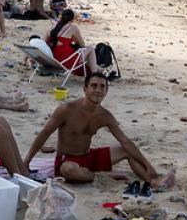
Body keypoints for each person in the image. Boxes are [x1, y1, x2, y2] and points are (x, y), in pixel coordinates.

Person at [24, 72, 175, 189]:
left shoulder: (105, 116)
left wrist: (148, 164)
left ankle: (154, 182)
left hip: (89, 157)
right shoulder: (67, 110)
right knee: (68, 170)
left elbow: (126, 141)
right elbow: (44, 134)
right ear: (85, 89)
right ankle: (106, 175)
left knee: (126, 150)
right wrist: (27, 161)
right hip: (68, 161)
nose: (98, 90)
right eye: (94, 86)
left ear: (106, 91)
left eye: (102, 87)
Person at [44, 9, 99, 75]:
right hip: (67, 62)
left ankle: (100, 70)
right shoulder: (73, 28)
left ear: (61, 17)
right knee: (90, 48)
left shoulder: (51, 27)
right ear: (72, 19)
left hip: (53, 61)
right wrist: (74, 40)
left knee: (88, 64)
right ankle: (95, 75)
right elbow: (82, 45)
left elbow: (44, 43)